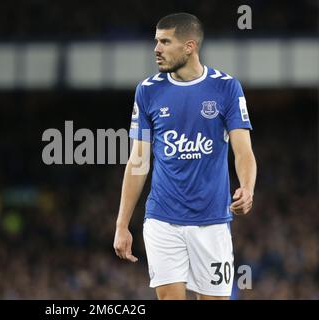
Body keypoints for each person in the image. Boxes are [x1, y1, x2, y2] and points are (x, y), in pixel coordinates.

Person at [113, 12, 257, 300]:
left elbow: (243, 152)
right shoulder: (148, 91)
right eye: (156, 41)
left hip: (213, 221)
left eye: (165, 42)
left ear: (189, 46)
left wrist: (248, 187)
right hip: (162, 220)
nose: (156, 49)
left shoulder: (226, 87)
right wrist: (121, 224)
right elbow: (138, 162)